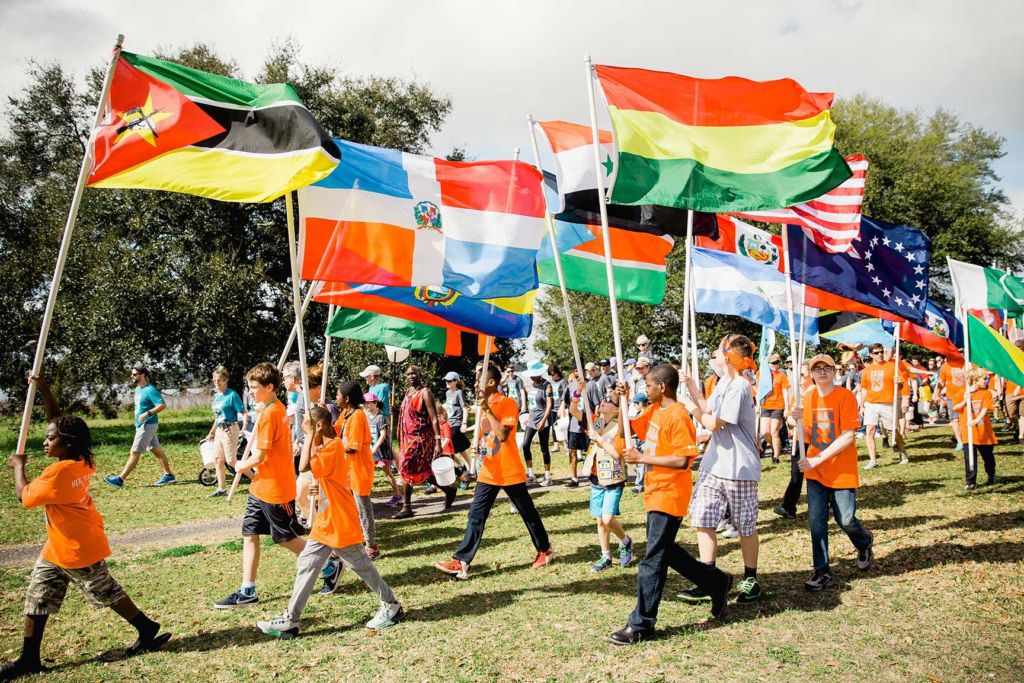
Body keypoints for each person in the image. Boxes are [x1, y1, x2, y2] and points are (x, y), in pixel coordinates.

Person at [2, 375, 171, 679]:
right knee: (37, 597)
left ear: (65, 443)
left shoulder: (58, 473)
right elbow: (59, 421)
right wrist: (44, 390)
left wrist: (19, 466)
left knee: (106, 592)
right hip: (58, 547)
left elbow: (25, 497)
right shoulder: (82, 459)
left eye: (49, 438)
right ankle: (29, 659)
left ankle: (147, 629)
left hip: (78, 548)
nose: (44, 440)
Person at [608, 364, 732, 645]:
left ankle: (642, 623)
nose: (645, 389)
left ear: (662, 387)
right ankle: (716, 582)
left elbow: (683, 460)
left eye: (648, 385)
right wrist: (622, 401)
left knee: (653, 558)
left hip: (670, 494)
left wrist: (642, 459)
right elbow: (629, 431)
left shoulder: (677, 415)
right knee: (665, 552)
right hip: (655, 492)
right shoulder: (654, 410)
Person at [256, 406, 403, 638]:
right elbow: (322, 475)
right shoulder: (328, 447)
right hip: (326, 521)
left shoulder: (333, 447)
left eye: (308, 429)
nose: (305, 433)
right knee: (307, 563)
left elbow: (302, 466)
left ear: (319, 427)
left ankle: (391, 604)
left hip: (339, 521)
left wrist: (307, 437)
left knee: (362, 566)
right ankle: (290, 620)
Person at [434, 364, 555, 580]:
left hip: (508, 470)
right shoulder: (483, 405)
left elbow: (503, 436)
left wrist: (488, 410)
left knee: (528, 513)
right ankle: (462, 562)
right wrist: (478, 445)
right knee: (475, 515)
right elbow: (488, 437)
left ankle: (545, 550)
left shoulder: (507, 403)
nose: (474, 382)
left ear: (490, 382)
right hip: (488, 471)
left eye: (478, 378)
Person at [677, 335, 763, 605]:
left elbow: (714, 423)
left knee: (745, 524)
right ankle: (708, 577)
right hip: (714, 464)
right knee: (703, 518)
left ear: (727, 355)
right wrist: (692, 387)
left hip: (739, 467)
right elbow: (707, 407)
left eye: (717, 350)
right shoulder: (724, 381)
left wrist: (690, 408)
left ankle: (750, 579)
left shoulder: (740, 385)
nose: (713, 354)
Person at [215, 363, 307, 609]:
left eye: (255, 388)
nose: (250, 392)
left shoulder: (271, 414)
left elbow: (261, 456)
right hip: (260, 487)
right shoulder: (272, 407)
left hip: (276, 488)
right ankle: (248, 590)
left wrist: (240, 464)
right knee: (249, 533)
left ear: (270, 387)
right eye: (249, 387)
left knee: (285, 538)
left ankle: (329, 562)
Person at [791, 354, 875, 591]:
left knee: (846, 519)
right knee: (817, 521)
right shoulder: (808, 398)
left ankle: (865, 541)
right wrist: (795, 422)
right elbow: (807, 435)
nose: (822, 372)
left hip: (841, 469)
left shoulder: (845, 397)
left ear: (834, 370)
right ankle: (822, 571)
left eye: (826, 367)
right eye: (817, 369)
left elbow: (848, 436)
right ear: (811, 373)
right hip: (815, 471)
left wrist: (817, 458)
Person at [568, 392, 633, 571]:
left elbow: (616, 453)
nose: (603, 401)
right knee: (600, 521)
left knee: (607, 518)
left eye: (608, 401)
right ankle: (606, 556)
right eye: (603, 399)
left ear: (616, 408)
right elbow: (573, 410)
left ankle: (625, 541)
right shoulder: (596, 420)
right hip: (596, 478)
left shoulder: (619, 428)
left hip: (613, 479)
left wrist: (598, 439)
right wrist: (576, 394)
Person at [395, 365, 456, 518]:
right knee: (419, 470)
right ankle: (449, 489)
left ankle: (407, 507)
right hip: (407, 438)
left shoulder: (425, 393)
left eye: (414, 373)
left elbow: (434, 418)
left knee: (406, 466)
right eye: (408, 374)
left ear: (420, 374)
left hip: (421, 439)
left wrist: (437, 441)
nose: (411, 376)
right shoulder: (408, 393)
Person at [104, 364, 174, 489]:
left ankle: (120, 479)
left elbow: (162, 405)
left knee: (134, 452)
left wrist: (148, 413)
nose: (132, 376)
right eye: (132, 374)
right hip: (141, 425)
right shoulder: (138, 389)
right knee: (156, 450)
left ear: (143, 375)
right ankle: (168, 475)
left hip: (148, 425)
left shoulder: (150, 390)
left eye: (134, 374)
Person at [336, 380, 380, 559]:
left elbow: (352, 447)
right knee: (351, 508)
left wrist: (334, 448)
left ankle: (371, 546)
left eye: (338, 395)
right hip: (348, 469)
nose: (336, 397)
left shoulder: (358, 416)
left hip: (359, 469)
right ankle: (354, 541)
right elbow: (334, 431)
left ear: (346, 398)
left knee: (363, 508)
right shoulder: (346, 413)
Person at [860, 343, 908, 468]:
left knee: (895, 431)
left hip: (887, 403)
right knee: (869, 430)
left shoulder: (892, 367)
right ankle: (873, 460)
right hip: (871, 403)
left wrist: (899, 383)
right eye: (876, 353)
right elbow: (864, 389)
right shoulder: (866, 370)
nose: (880, 354)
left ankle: (903, 453)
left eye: (881, 352)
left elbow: (901, 386)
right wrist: (861, 405)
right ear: (871, 354)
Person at [954, 369, 998, 490]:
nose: (986, 380)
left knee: (988, 457)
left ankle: (991, 475)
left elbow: (984, 410)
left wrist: (976, 420)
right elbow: (955, 407)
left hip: (983, 432)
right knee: (970, 458)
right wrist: (964, 400)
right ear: (975, 380)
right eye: (984, 379)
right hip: (968, 433)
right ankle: (970, 482)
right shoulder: (963, 391)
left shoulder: (986, 393)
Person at [205, 366, 244, 497]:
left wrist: (243, 427)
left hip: (230, 429)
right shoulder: (216, 396)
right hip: (220, 430)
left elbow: (243, 412)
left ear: (226, 380)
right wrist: (211, 432)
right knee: (217, 459)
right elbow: (217, 417)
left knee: (231, 461)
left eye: (220, 380)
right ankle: (221, 489)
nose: (217, 383)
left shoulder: (232, 395)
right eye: (215, 380)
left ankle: (255, 478)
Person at [365, 393, 402, 506]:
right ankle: (366, 498)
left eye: (368, 402)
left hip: (381, 451)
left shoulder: (381, 417)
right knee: (368, 474)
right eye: (365, 403)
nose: (366, 405)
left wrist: (375, 448)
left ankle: (397, 495)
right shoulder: (366, 417)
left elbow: (383, 435)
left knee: (387, 473)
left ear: (375, 403)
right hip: (371, 450)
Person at [523, 369, 554, 486]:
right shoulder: (530, 385)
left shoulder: (547, 385)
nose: (531, 377)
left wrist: (543, 420)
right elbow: (530, 403)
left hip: (543, 420)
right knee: (525, 445)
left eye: (533, 375)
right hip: (531, 419)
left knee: (544, 448)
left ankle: (547, 476)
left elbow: (549, 405)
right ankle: (531, 475)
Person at [759, 353, 790, 464]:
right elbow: (757, 388)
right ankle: (776, 446)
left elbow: (785, 391)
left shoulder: (781, 375)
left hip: (778, 406)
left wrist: (787, 408)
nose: (775, 365)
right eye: (773, 363)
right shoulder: (761, 374)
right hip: (765, 406)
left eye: (777, 363)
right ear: (768, 363)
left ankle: (775, 456)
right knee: (764, 432)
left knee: (774, 432)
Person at [443, 372, 474, 480]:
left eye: (450, 380)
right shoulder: (447, 393)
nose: (447, 382)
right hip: (450, 424)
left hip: (457, 424)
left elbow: (465, 409)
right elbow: (448, 408)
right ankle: (470, 469)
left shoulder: (459, 393)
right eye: (446, 380)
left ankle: (465, 469)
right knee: (462, 449)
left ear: (456, 381)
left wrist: (464, 423)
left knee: (449, 446)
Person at [561, 367, 588, 488]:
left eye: (580, 370)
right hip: (573, 425)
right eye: (576, 370)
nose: (578, 373)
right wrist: (562, 413)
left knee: (591, 451)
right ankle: (574, 478)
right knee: (572, 451)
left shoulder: (591, 385)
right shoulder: (570, 386)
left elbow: (597, 404)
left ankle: (594, 476)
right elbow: (566, 403)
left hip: (588, 424)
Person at [937, 355, 966, 449]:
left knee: (965, 419)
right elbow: (941, 381)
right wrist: (936, 394)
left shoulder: (969, 364)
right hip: (952, 397)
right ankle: (960, 442)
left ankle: (967, 439)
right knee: (955, 419)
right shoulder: (945, 366)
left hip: (967, 396)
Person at [548, 366, 567, 454]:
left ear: (557, 372)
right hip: (552, 408)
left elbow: (566, 394)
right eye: (550, 375)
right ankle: (556, 445)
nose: (552, 376)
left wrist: (562, 407)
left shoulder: (563, 382)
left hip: (561, 408)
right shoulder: (550, 382)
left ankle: (566, 444)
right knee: (554, 426)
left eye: (553, 374)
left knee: (562, 426)